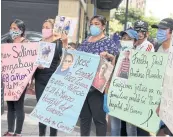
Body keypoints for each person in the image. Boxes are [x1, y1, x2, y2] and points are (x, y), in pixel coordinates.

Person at [66, 15, 119, 136]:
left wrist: (110, 57)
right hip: (82, 84)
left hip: (97, 87)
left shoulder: (108, 43)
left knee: (99, 119)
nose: (93, 26)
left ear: (103, 26)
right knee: (84, 118)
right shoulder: (86, 41)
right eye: (92, 23)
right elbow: (78, 58)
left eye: (97, 24)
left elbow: (115, 63)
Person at [101, 29, 138, 136]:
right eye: (124, 38)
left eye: (129, 39)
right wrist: (106, 96)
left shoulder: (141, 58)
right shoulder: (117, 56)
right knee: (114, 128)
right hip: (116, 96)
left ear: (135, 42)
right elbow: (110, 77)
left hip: (131, 98)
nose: (126, 40)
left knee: (131, 129)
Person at [34, 18, 63, 136]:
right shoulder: (40, 42)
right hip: (40, 79)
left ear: (53, 29)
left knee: (52, 110)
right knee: (42, 109)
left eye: (47, 27)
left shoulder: (59, 42)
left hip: (53, 80)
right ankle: (41, 134)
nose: (44, 29)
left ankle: (53, 134)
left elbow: (64, 59)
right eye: (43, 27)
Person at [3, 19, 29, 136]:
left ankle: (18, 132)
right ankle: (10, 130)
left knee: (19, 105)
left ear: (21, 30)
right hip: (9, 79)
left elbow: (29, 62)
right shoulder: (8, 43)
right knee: (10, 106)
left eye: (15, 28)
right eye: (11, 28)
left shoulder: (26, 43)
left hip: (21, 80)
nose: (12, 30)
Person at [152, 18, 173, 136]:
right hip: (158, 98)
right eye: (158, 29)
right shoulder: (158, 49)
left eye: (163, 29)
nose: (159, 31)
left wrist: (162, 105)